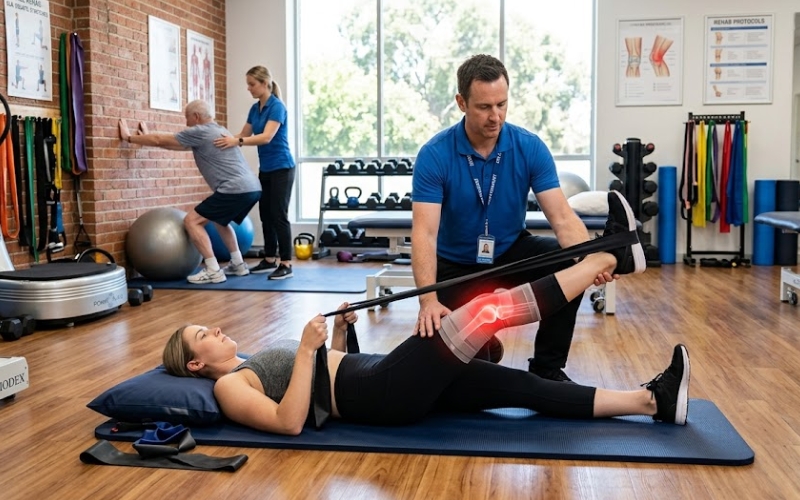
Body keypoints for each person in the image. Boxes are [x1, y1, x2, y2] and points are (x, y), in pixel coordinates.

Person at [162, 194, 686, 436]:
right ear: (194, 365)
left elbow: (330, 380)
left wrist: (342, 335)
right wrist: (304, 350)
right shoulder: (228, 387)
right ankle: (609, 255)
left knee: (517, 388)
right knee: (484, 312)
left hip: (381, 379)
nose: (218, 329)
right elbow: (290, 421)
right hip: (388, 390)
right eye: (203, 334)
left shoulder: (249, 364)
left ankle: (651, 401)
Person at [411, 54, 643, 382]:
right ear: (461, 102)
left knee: (569, 264)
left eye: (502, 104)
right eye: (484, 107)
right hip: (454, 266)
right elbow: (424, 234)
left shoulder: (529, 147)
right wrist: (428, 300)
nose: (496, 116)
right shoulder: (435, 155)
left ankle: (548, 368)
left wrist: (587, 264)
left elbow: (562, 217)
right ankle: (485, 345)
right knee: (468, 371)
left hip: (509, 253)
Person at [119, 100, 262, 284]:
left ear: (195, 117)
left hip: (234, 188)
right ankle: (238, 264)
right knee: (220, 221)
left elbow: (161, 139)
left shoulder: (199, 131)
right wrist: (147, 139)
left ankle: (213, 270)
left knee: (192, 221)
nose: (185, 123)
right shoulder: (220, 130)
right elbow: (175, 144)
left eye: (186, 117)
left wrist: (129, 137)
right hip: (252, 187)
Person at [214, 65, 296, 280]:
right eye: (248, 84)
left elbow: (266, 137)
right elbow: (244, 134)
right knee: (265, 214)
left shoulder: (277, 107)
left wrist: (237, 141)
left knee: (279, 215)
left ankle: (286, 263)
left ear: (264, 83)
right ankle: (269, 259)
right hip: (267, 169)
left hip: (283, 168)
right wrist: (222, 140)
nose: (249, 88)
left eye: (252, 84)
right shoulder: (255, 108)